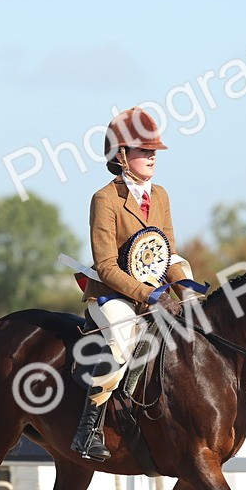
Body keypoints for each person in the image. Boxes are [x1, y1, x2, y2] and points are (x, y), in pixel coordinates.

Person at [71, 107, 192, 462]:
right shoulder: (105, 199)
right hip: (113, 294)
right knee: (122, 342)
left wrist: (187, 293)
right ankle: (87, 429)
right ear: (121, 155)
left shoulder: (162, 196)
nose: (152, 155)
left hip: (154, 289)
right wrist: (151, 296)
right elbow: (106, 266)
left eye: (154, 150)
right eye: (143, 150)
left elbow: (166, 252)